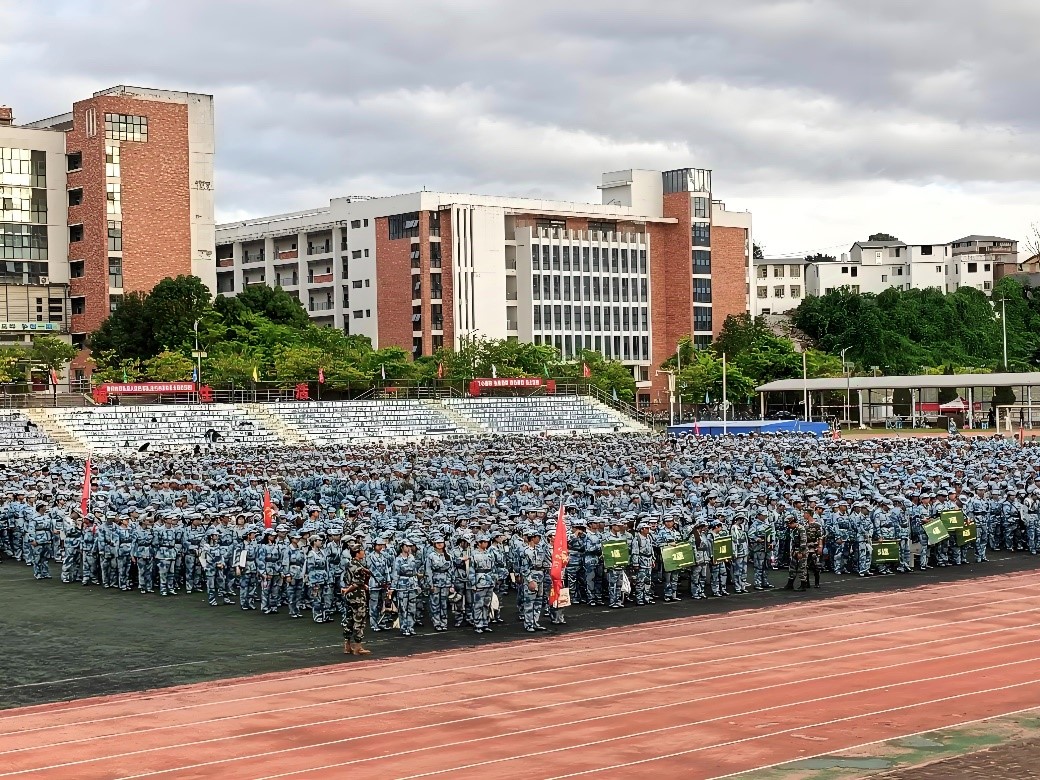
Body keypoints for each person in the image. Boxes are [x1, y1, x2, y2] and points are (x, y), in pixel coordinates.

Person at [340, 542, 371, 655]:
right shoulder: (359, 567)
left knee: (349, 619)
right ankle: (358, 647)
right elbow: (356, 584)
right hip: (357, 596)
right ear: (357, 553)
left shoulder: (350, 564)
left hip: (350, 597)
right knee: (359, 620)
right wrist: (349, 589)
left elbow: (349, 580)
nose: (364, 552)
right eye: (362, 551)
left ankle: (347, 646)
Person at [390, 540, 421, 636]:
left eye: (410, 546)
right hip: (402, 586)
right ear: (402, 547)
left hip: (412, 584)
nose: (409, 548)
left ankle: (410, 627)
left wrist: (417, 585)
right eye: (407, 546)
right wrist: (393, 587)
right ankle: (404, 627)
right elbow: (395, 574)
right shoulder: (398, 559)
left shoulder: (412, 557)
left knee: (412, 607)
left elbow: (415, 572)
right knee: (403, 608)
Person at [785, 513, 808, 592]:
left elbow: (803, 541)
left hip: (801, 550)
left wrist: (800, 552)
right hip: (795, 550)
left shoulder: (801, 529)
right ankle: (790, 583)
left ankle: (803, 584)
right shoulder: (793, 530)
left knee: (802, 568)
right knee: (792, 567)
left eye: (788, 524)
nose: (788, 526)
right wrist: (792, 551)